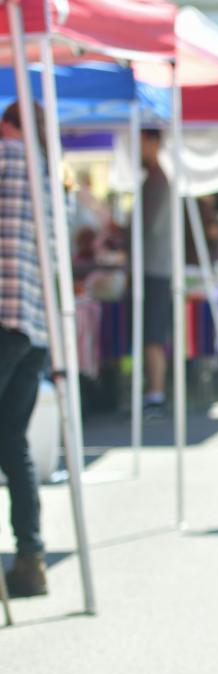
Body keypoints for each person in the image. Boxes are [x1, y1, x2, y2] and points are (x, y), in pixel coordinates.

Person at [0, 101, 52, 597]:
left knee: (12, 444)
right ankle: (30, 554)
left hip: (3, 314)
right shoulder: (47, 174)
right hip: (35, 325)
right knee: (12, 445)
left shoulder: (5, 156)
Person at [139, 129, 173, 420]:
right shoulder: (154, 178)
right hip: (152, 267)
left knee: (152, 334)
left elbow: (146, 226)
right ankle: (153, 392)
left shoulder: (158, 180)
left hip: (154, 268)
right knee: (150, 333)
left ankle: (155, 394)